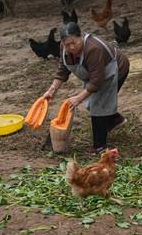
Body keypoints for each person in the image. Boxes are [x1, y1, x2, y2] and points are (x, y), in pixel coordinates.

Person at [42, 22, 129, 154]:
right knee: (94, 104)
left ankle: (100, 147)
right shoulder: (63, 48)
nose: (71, 47)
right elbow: (63, 70)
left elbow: (96, 81)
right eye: (67, 44)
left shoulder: (93, 49)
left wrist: (78, 98)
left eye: (74, 42)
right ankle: (115, 119)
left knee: (98, 106)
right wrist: (52, 90)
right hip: (95, 74)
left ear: (80, 36)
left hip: (114, 69)